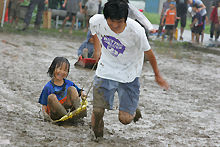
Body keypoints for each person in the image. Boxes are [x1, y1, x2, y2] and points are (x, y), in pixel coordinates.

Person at [89, 0, 169, 139]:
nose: (115, 26)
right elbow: (94, 30)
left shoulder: (136, 31)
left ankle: (132, 109)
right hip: (105, 70)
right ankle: (98, 139)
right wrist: (97, 48)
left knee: (125, 119)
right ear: (105, 18)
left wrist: (157, 74)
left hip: (129, 73)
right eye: (111, 22)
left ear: (126, 18)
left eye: (119, 21)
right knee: (97, 111)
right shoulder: (97, 20)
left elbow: (149, 53)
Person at [38, 57, 87, 122]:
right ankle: (67, 118)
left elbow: (79, 91)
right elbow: (44, 106)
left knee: (72, 89)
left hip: (66, 109)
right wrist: (46, 116)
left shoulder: (69, 83)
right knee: (51, 97)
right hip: (55, 113)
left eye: (65, 70)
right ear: (53, 68)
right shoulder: (48, 87)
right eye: (60, 69)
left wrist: (83, 93)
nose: (62, 72)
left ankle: (78, 112)